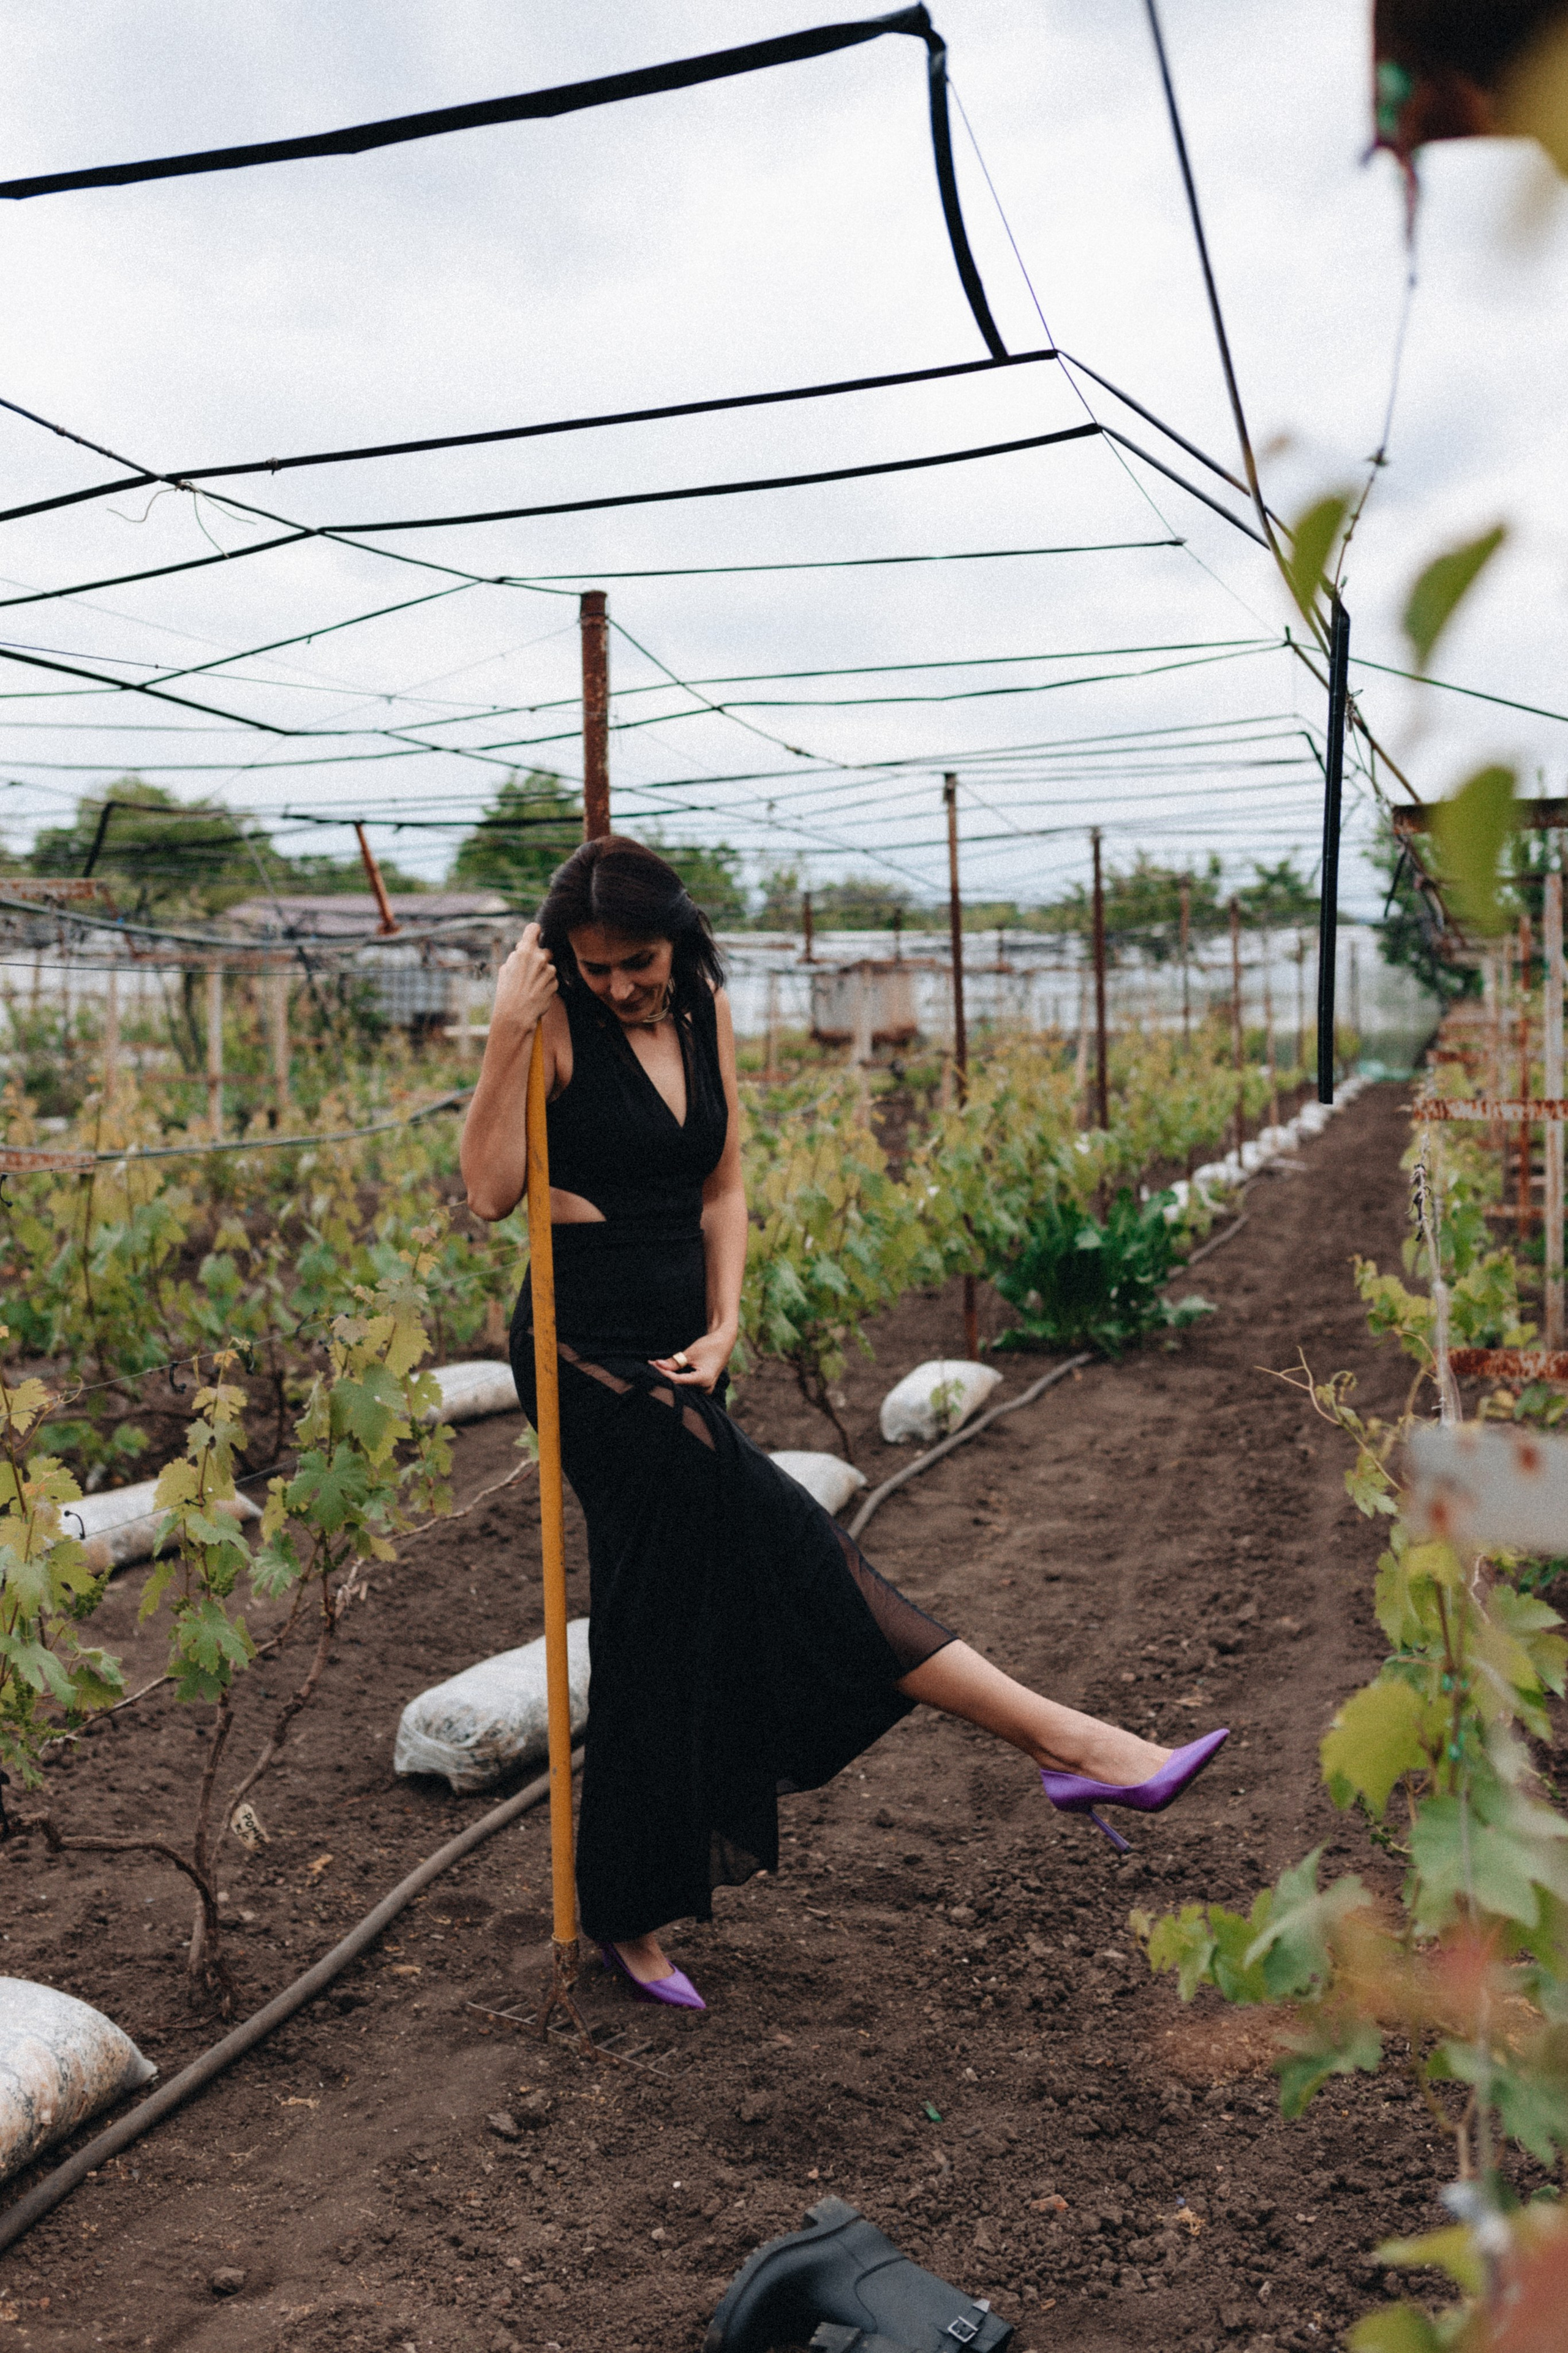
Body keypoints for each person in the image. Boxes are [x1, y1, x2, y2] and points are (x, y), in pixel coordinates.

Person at [461, 837, 1225, 2010]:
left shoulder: (704, 1008)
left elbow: (724, 1185)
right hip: (583, 1354)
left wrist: (727, 1322)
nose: (620, 986)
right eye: (595, 966)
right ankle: (1073, 1745)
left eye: (638, 962)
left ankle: (623, 1910)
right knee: (794, 1539)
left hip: (683, 1347)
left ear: (678, 939)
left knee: (657, 1616)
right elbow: (489, 1192)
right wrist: (508, 1028)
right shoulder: (554, 1024)